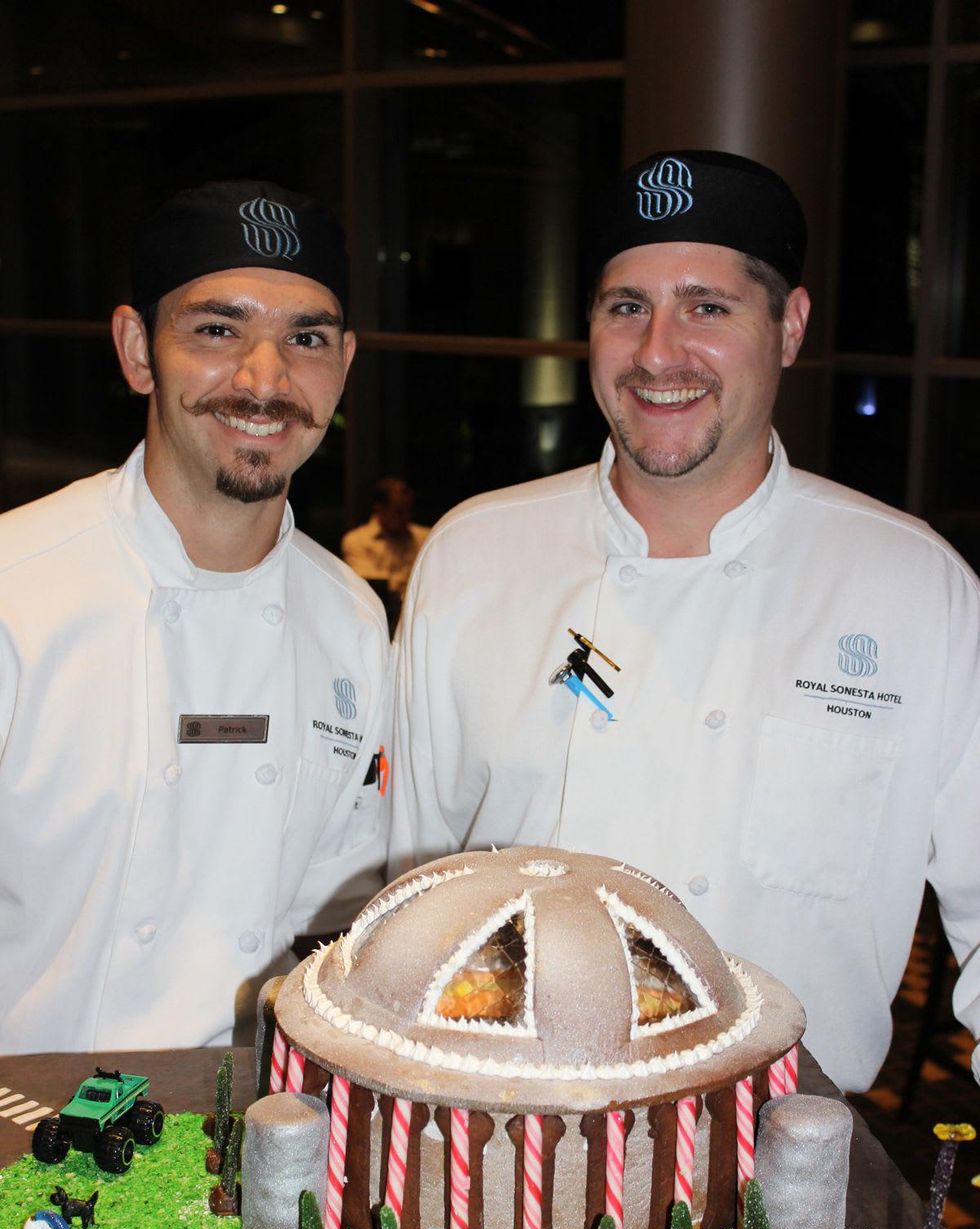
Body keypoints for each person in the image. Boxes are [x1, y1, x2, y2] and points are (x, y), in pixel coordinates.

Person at [390, 149, 980, 1094]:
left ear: (788, 327)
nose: (659, 352)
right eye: (627, 306)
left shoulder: (915, 589)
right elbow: (405, 887)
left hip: (792, 1159)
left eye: (708, 306)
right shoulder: (473, 555)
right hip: (502, 1136)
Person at [0, 180, 391, 1053]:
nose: (266, 378)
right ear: (139, 350)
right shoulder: (15, 592)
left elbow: (330, 929)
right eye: (217, 330)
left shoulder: (352, 623)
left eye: (307, 338)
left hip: (244, 1132)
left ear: (344, 365)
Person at [342, 476, 429, 631]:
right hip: (374, 621)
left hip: (420, 617)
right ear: (379, 509)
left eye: (409, 511)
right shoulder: (356, 541)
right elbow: (371, 586)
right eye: (399, 512)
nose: (406, 518)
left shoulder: (423, 537)